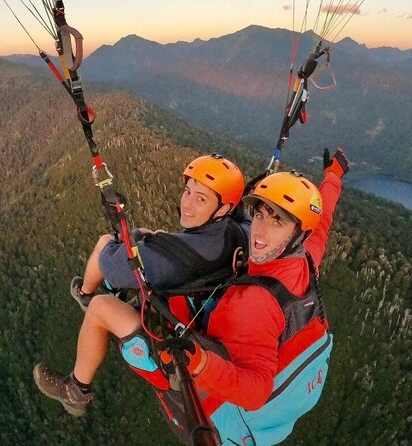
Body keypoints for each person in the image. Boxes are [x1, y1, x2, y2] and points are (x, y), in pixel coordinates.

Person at [33, 147, 348, 443]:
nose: (260, 232)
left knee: (101, 306)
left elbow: (256, 392)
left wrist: (200, 365)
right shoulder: (304, 257)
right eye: (260, 216)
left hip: (218, 414)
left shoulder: (254, 303)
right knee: (154, 298)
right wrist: (333, 176)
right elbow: (324, 220)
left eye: (276, 222)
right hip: (268, 377)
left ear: (296, 233)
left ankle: (75, 390)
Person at [70, 153, 247, 311]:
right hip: (200, 279)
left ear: (223, 210)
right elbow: (247, 221)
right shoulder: (238, 233)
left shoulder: (173, 258)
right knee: (145, 233)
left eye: (201, 198)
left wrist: (135, 238)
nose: (187, 203)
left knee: (105, 241)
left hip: (174, 296)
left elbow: (113, 268)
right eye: (187, 192)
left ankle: (85, 294)